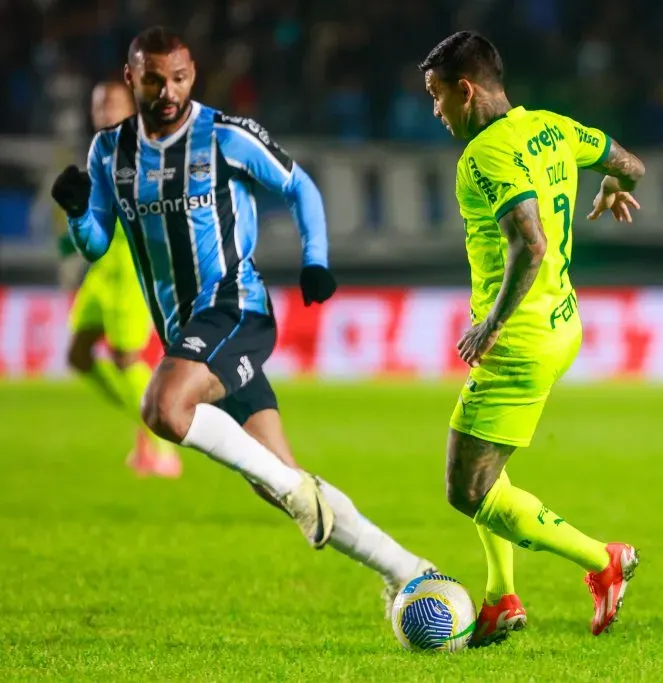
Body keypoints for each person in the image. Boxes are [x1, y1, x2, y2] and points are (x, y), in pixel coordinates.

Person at [50, 26, 434, 615]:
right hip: (186, 330)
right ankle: (408, 570)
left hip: (236, 309)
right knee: (279, 480)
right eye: (154, 78)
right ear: (132, 79)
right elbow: (97, 243)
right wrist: (79, 212)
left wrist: (316, 261)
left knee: (164, 407)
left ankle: (295, 489)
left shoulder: (222, 135)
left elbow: (298, 185)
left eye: (178, 77)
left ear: (192, 75)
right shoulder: (110, 152)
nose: (168, 90)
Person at [418, 31, 646, 646]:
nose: (435, 111)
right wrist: (610, 184)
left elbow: (531, 242)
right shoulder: (550, 127)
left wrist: (489, 325)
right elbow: (630, 164)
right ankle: (500, 599)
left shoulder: (483, 156)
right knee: (490, 472)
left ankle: (603, 560)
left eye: (438, 97)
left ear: (466, 90)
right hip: (562, 322)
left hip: (517, 338)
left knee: (465, 489)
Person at [60, 81, 181, 478]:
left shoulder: (145, 151)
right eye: (98, 106)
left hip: (131, 267)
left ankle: (163, 447)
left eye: (111, 104)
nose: (103, 112)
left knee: (126, 358)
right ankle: (145, 417)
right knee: (78, 355)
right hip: (102, 269)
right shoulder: (99, 152)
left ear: (131, 109)